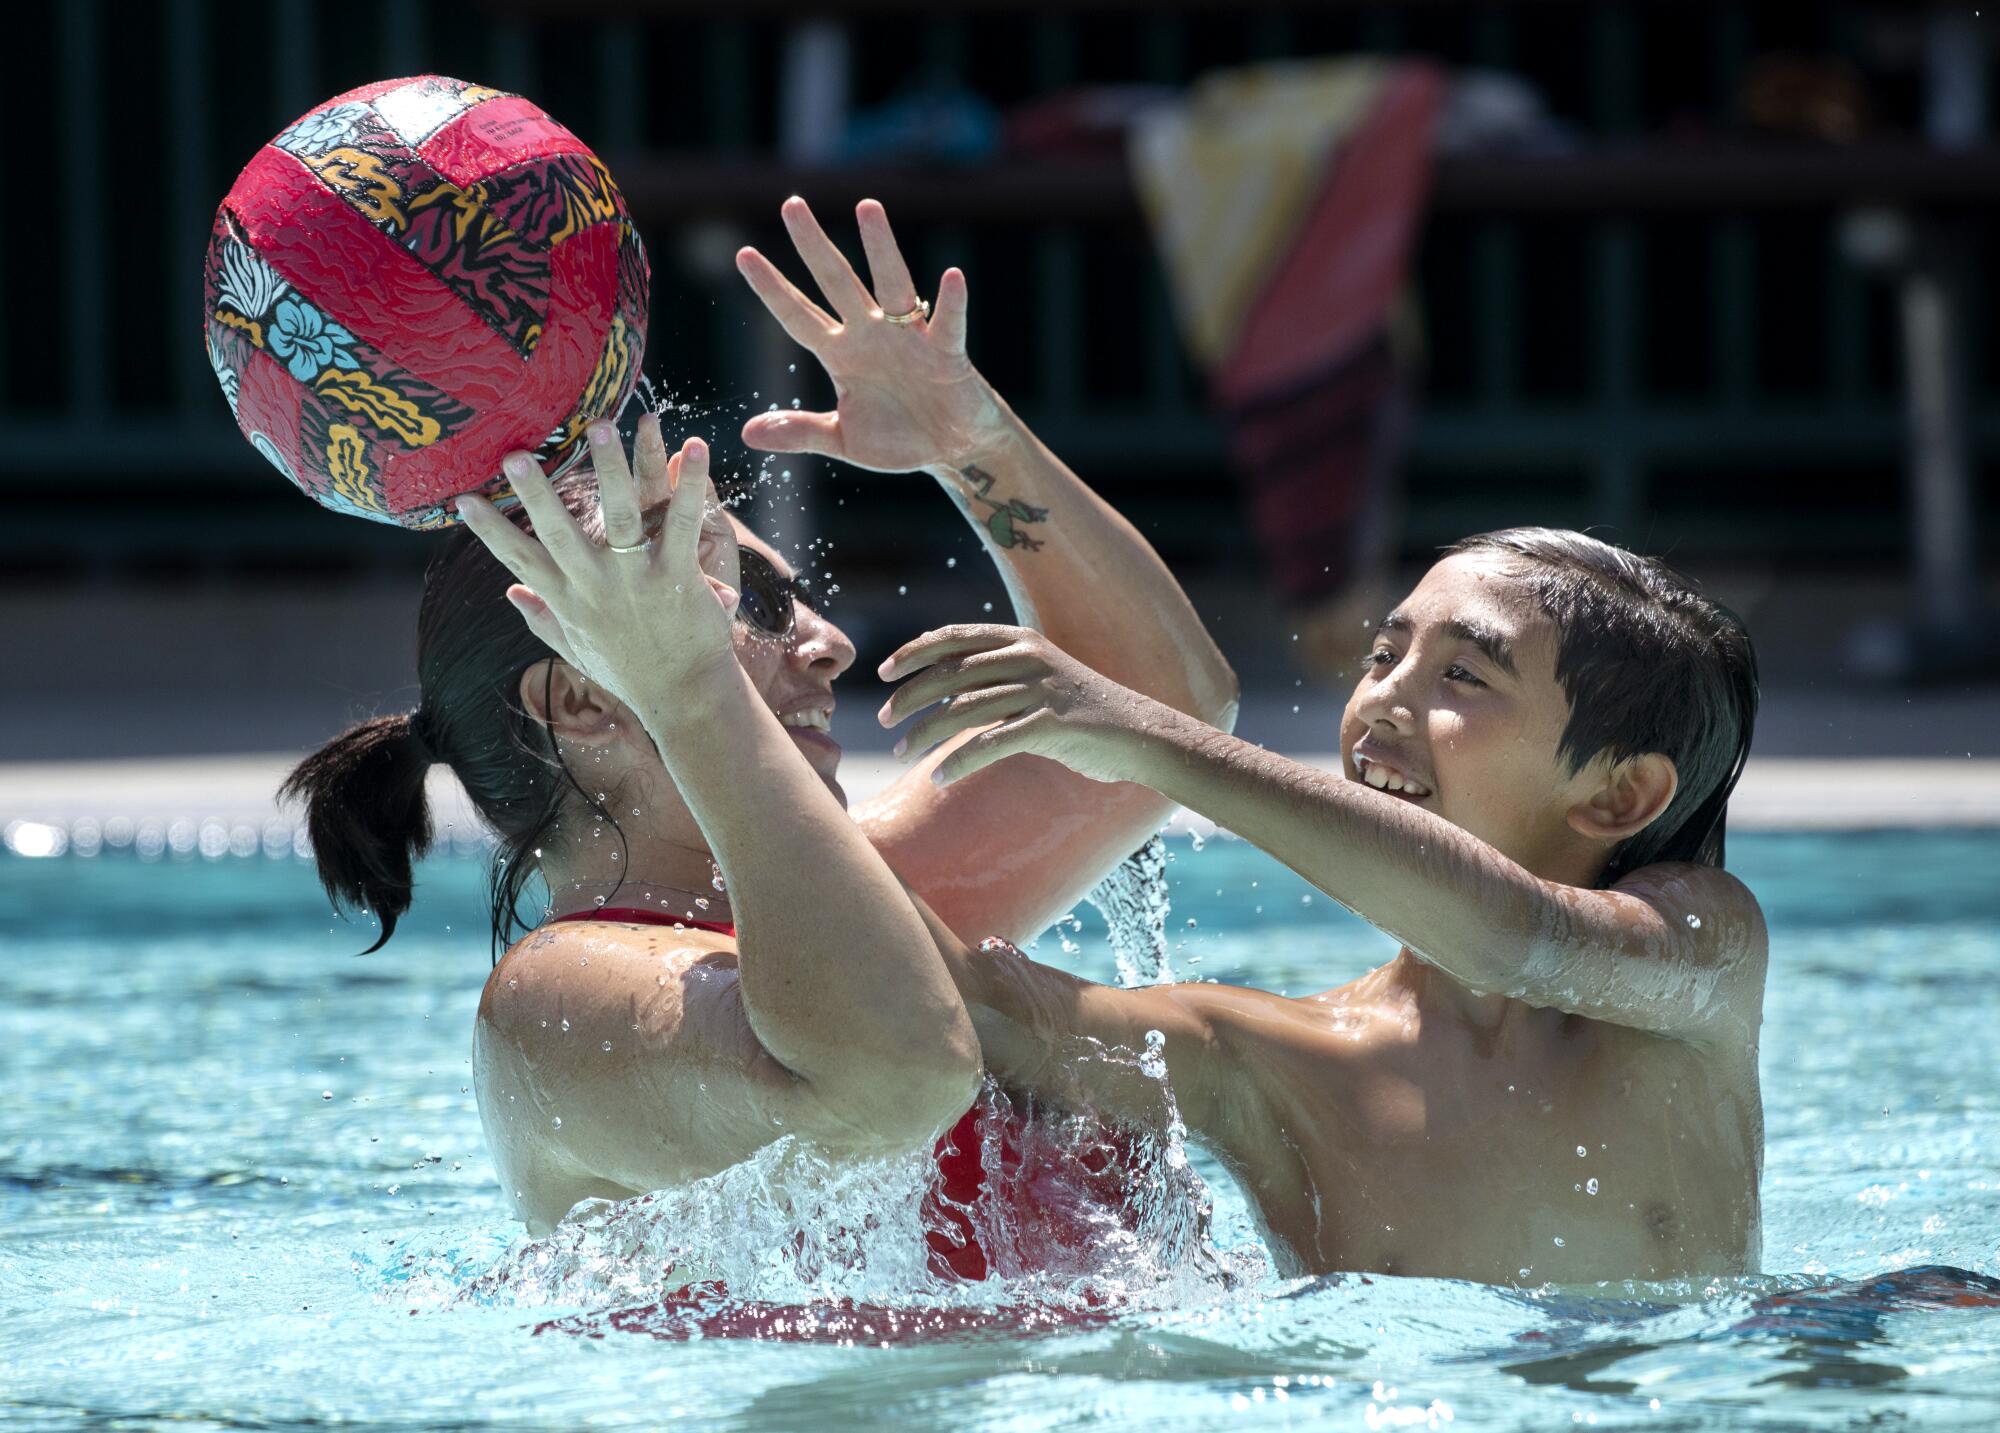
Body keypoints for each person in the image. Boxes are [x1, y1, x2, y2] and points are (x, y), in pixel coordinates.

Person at [282, 198, 1238, 1271]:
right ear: (587, 699)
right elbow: (892, 1075)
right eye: (751, 608)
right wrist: (690, 689)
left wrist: (978, 446)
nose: (829, 641)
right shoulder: (551, 1007)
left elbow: (1160, 719)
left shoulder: (854, 898)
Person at [881, 529, 1766, 1285]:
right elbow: (965, 1004)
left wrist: (1146, 738)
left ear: (1618, 796)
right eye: (1384, 656)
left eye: (1463, 674)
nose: (1383, 695)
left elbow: (1516, 938)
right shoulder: (1278, 1058)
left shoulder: (1700, 959)